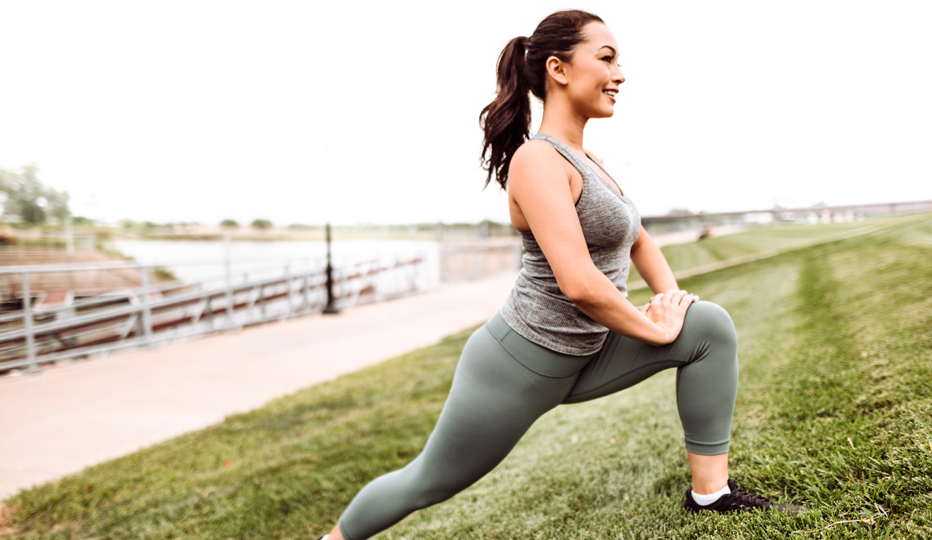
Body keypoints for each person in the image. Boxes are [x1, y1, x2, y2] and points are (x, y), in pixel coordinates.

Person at [318, 9, 804, 540]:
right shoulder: (537, 161)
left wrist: (674, 304)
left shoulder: (587, 158)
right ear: (559, 69)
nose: (621, 74)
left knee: (708, 327)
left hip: (591, 351)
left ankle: (711, 495)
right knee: (427, 483)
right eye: (607, 58)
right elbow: (579, 285)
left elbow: (637, 236)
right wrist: (657, 329)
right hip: (519, 364)